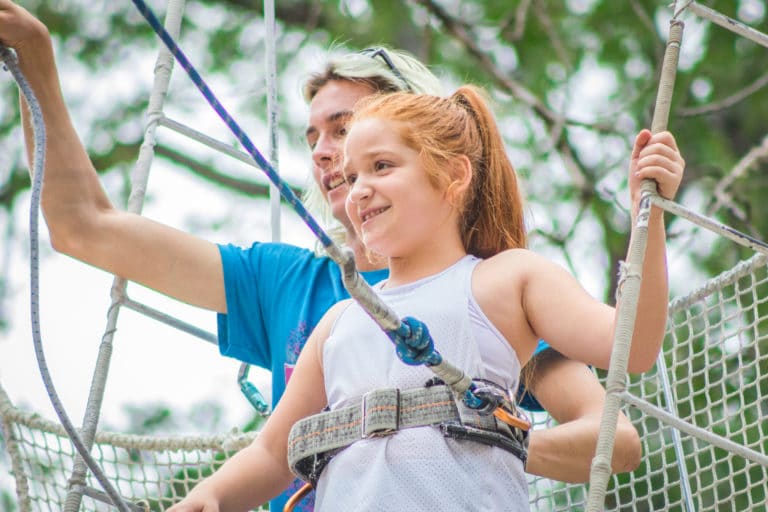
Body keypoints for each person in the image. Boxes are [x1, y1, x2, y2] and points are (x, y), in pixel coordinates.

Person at [0, 2, 643, 510]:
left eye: (347, 127)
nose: (326, 151)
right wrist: (35, 61)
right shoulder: (286, 284)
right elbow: (83, 227)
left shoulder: (488, 291)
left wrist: (497, 430)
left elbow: (614, 438)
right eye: (316, 136)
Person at [164, 86, 684, 511]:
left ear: (454, 175)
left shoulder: (503, 280)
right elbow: (273, 452)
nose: (358, 188)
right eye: (351, 177)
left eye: (382, 166)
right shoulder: (339, 321)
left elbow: (633, 347)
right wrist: (209, 495)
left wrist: (649, 216)